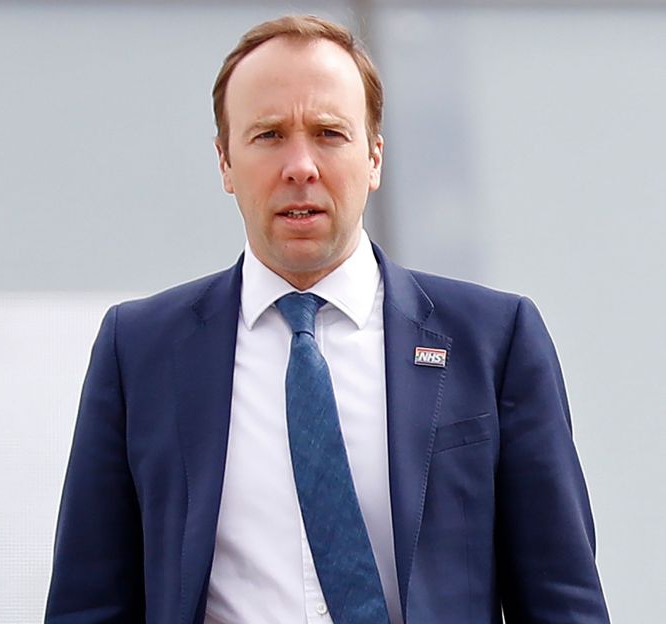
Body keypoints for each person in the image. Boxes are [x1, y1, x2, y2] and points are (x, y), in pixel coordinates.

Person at [45, 14, 608, 624]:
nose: (301, 166)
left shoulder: (494, 341)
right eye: (268, 135)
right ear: (225, 162)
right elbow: (89, 602)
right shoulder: (140, 351)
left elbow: (562, 600)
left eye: (329, 133)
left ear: (374, 158)